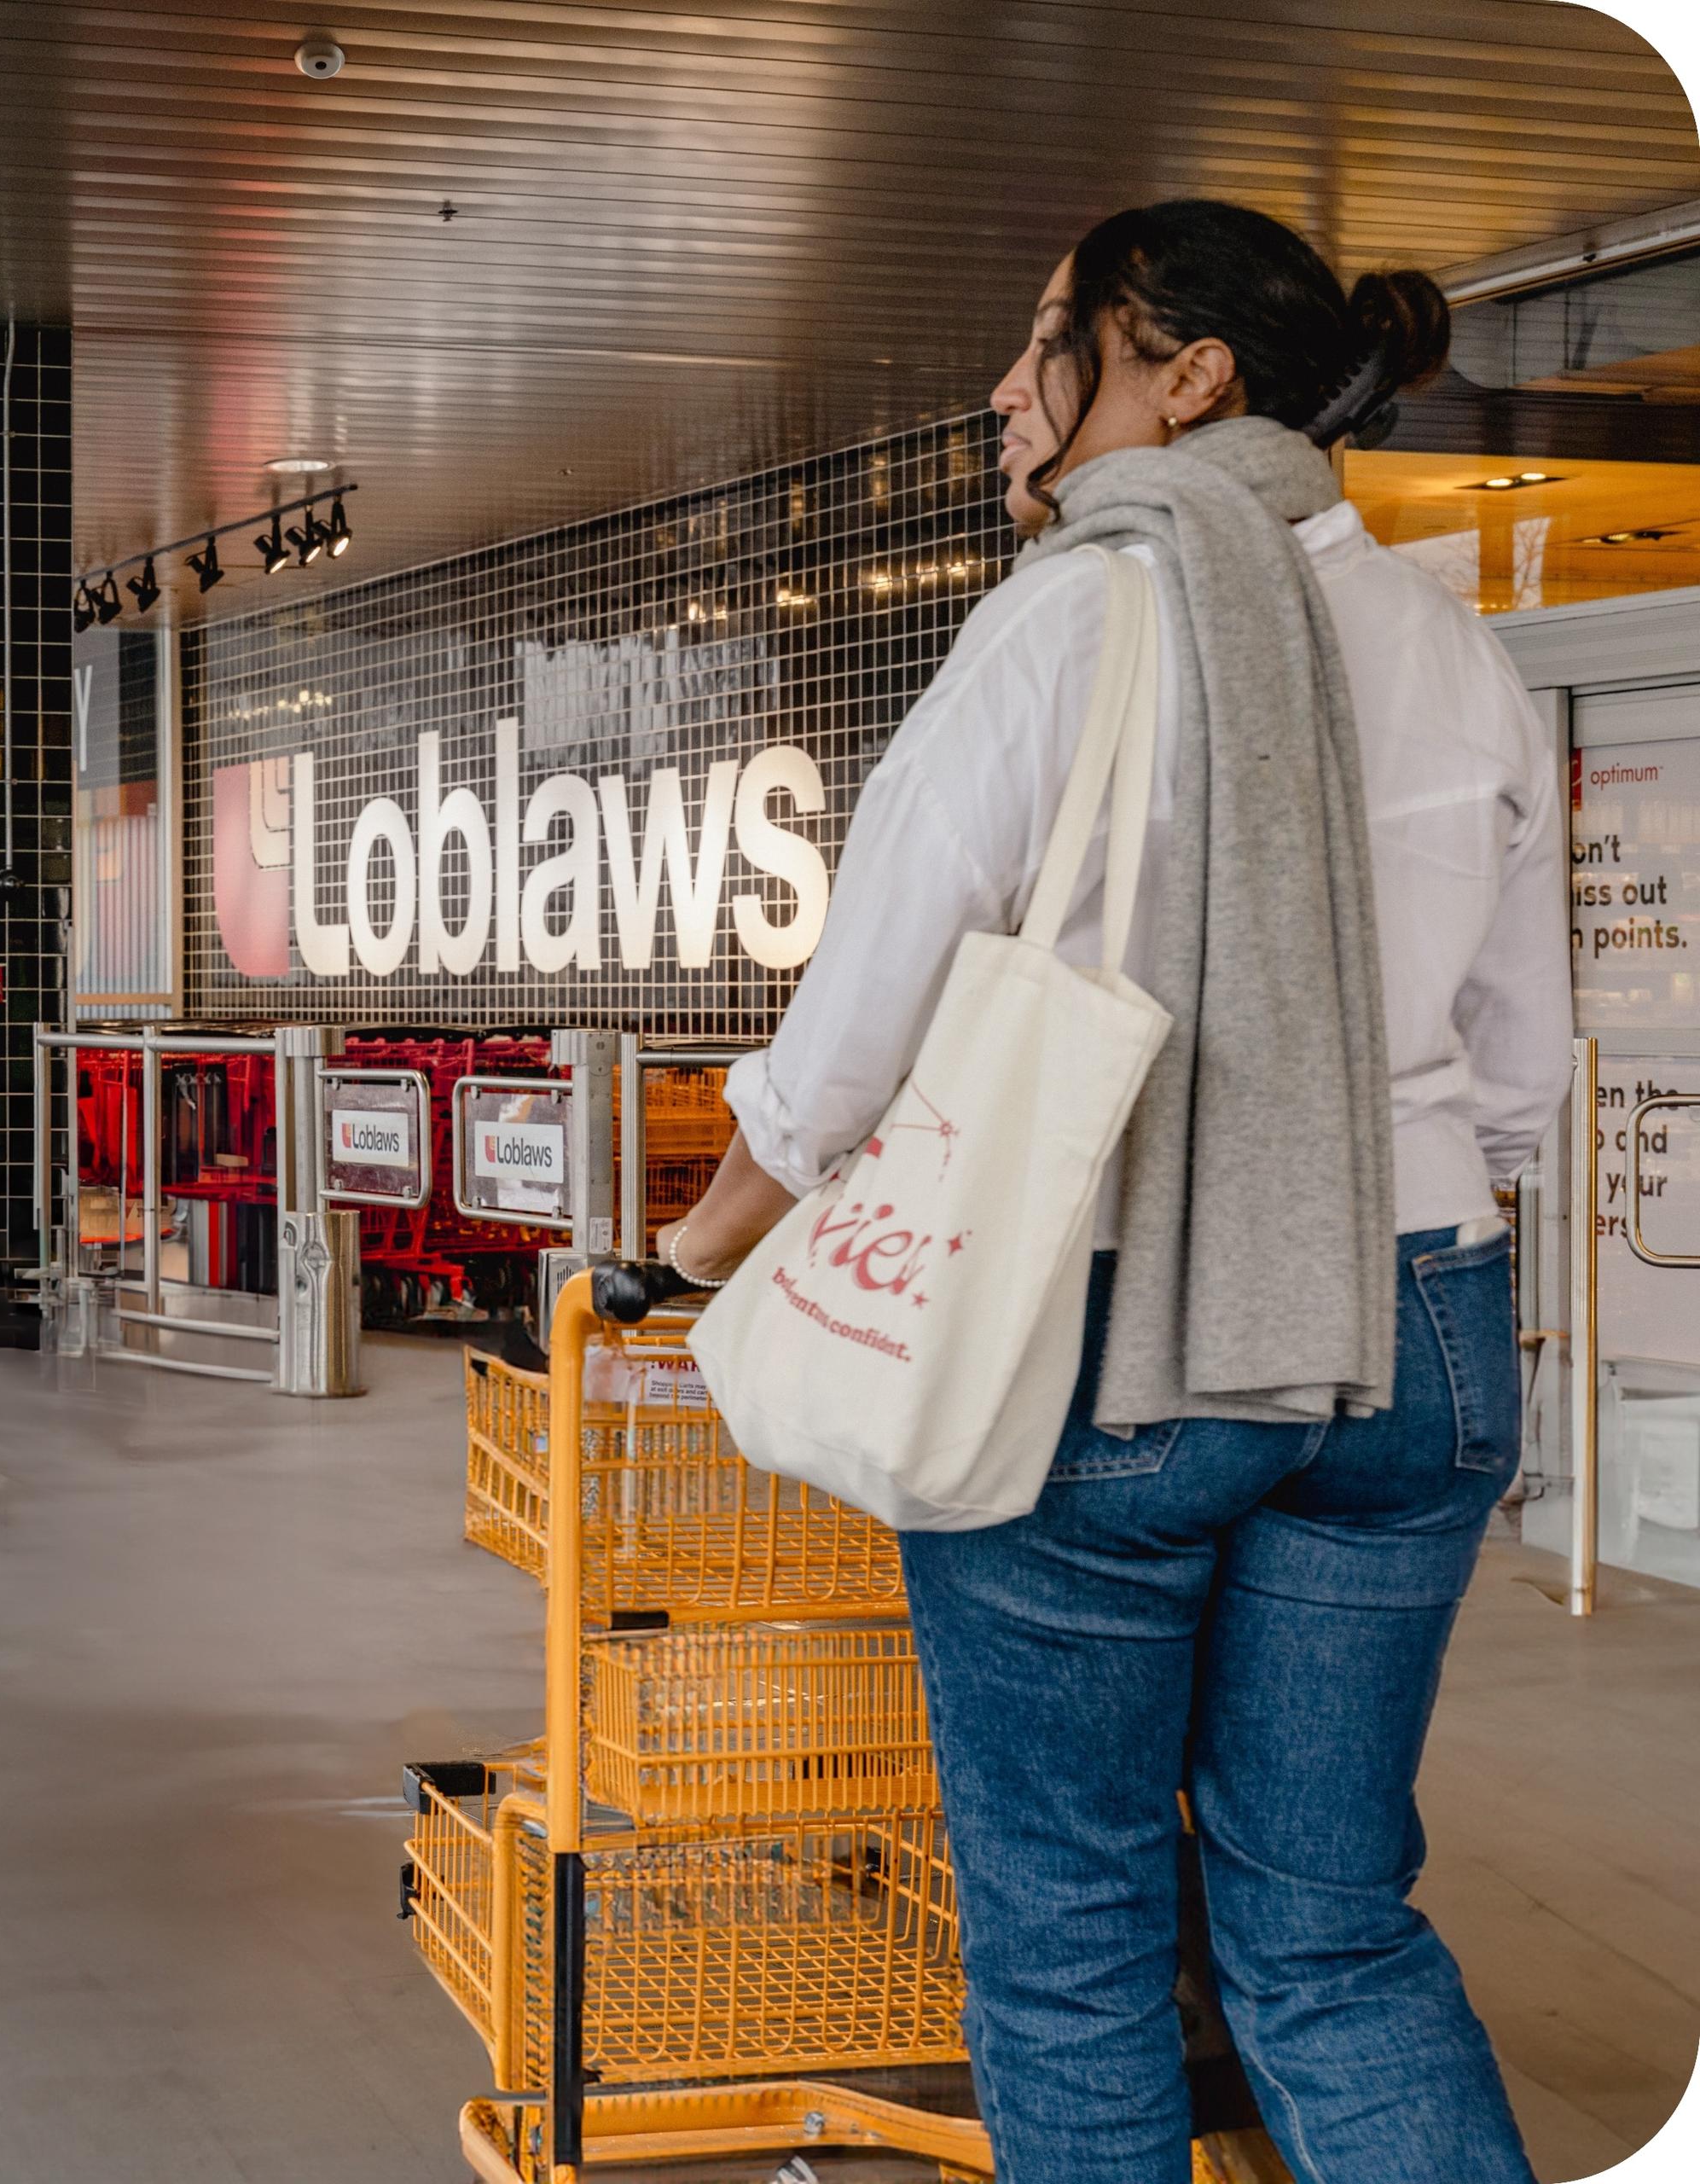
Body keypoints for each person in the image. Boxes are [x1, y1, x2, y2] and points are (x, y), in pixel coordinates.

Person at [653, 199, 1567, 2184]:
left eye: (1045, 338)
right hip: (1421, 1314)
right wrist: (1393, 1218)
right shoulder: (1452, 645)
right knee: (1329, 1930)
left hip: (1124, 1333)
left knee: (1069, 1948)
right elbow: (1516, 1071)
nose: (1005, 389)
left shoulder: (1078, 610)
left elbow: (875, 985)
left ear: (1185, 368)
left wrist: (713, 1236)